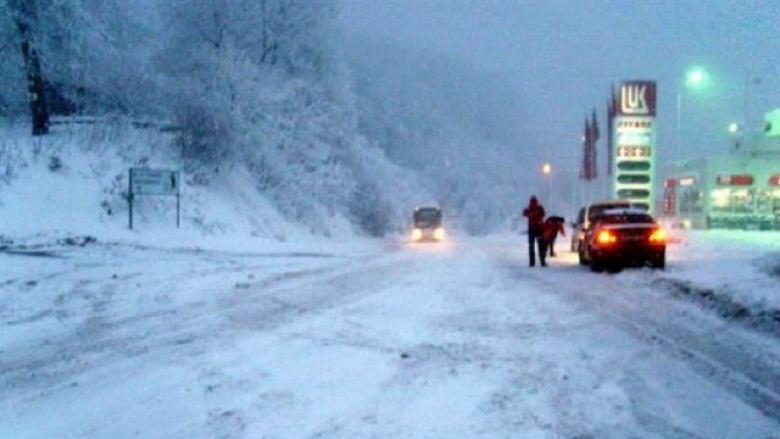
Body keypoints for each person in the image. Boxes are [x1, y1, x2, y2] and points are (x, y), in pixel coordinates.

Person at [522, 195, 546, 267]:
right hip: (539, 229)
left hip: (531, 229)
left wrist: (530, 213)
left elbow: (524, 213)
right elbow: (543, 214)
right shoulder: (540, 208)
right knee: (541, 245)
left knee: (531, 246)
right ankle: (542, 261)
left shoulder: (529, 209)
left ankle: (532, 262)